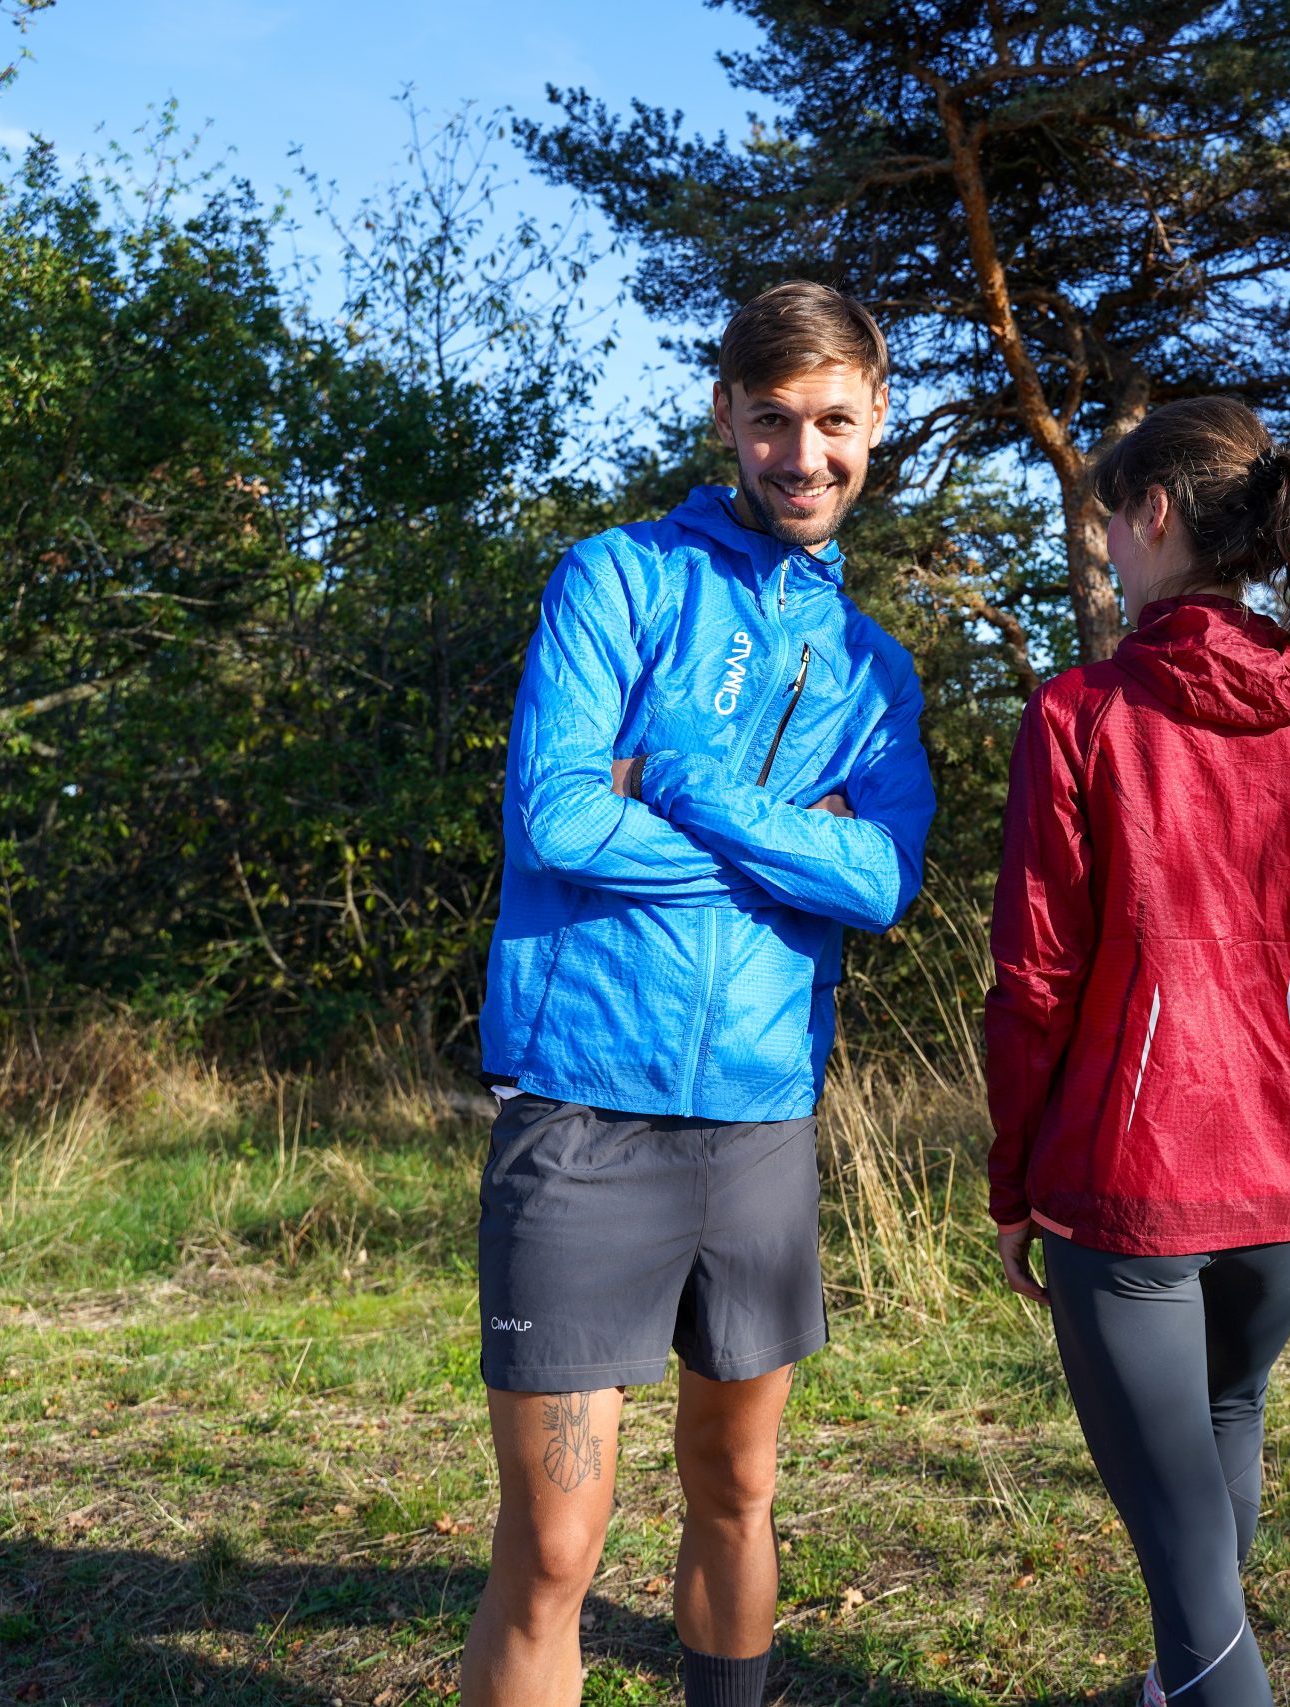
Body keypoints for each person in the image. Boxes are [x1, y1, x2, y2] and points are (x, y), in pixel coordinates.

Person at [462, 282, 936, 1707]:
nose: (804, 455)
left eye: (834, 421)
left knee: (739, 1491)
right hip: (582, 1114)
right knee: (555, 1544)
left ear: (878, 423)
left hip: (758, 1123)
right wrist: (787, 846)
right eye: (775, 419)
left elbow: (881, 881)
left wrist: (676, 781)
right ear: (727, 413)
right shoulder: (614, 580)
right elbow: (554, 819)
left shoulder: (874, 670)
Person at [983, 397, 1290, 1707]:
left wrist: (1014, 1186)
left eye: (1108, 517)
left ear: (1153, 514)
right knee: (1220, 1458)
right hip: (1282, 1193)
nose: (1104, 545)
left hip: (1132, 1202)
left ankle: (1203, 1686)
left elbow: (1033, 981)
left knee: (1195, 1589)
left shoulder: (1080, 715)